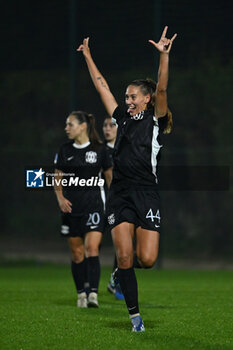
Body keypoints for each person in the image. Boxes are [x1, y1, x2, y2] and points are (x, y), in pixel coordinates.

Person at [77, 26, 177, 331]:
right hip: (120, 193)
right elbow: (102, 87)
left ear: (146, 99)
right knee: (123, 255)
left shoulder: (156, 121)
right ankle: (135, 318)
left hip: (146, 193)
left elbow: (162, 89)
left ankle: (121, 273)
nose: (127, 100)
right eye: (126, 97)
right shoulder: (121, 117)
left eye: (133, 96)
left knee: (145, 259)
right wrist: (89, 56)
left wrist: (163, 56)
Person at [54, 111, 112, 308]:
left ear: (82, 126)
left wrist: (115, 202)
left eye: (70, 124)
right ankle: (81, 294)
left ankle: (93, 294)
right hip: (71, 209)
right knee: (77, 253)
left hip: (94, 207)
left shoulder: (100, 150)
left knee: (92, 249)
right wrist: (61, 198)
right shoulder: (64, 150)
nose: (66, 128)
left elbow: (110, 178)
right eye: (66, 124)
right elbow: (57, 177)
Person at [102, 116, 124, 300]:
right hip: (98, 204)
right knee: (92, 245)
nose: (107, 128)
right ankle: (87, 287)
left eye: (112, 125)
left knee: (123, 245)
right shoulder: (99, 150)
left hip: (117, 204)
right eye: (105, 125)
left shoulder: (125, 149)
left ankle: (115, 283)